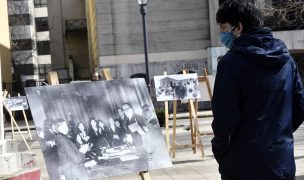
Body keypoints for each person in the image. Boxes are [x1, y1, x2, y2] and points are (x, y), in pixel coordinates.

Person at [211, 1, 304, 180]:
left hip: (242, 164)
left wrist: (222, 154)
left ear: (238, 27)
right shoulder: (286, 60)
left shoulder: (230, 64)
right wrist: (277, 134)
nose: (221, 34)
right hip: (280, 161)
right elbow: (299, 108)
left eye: (223, 27)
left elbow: (224, 120)